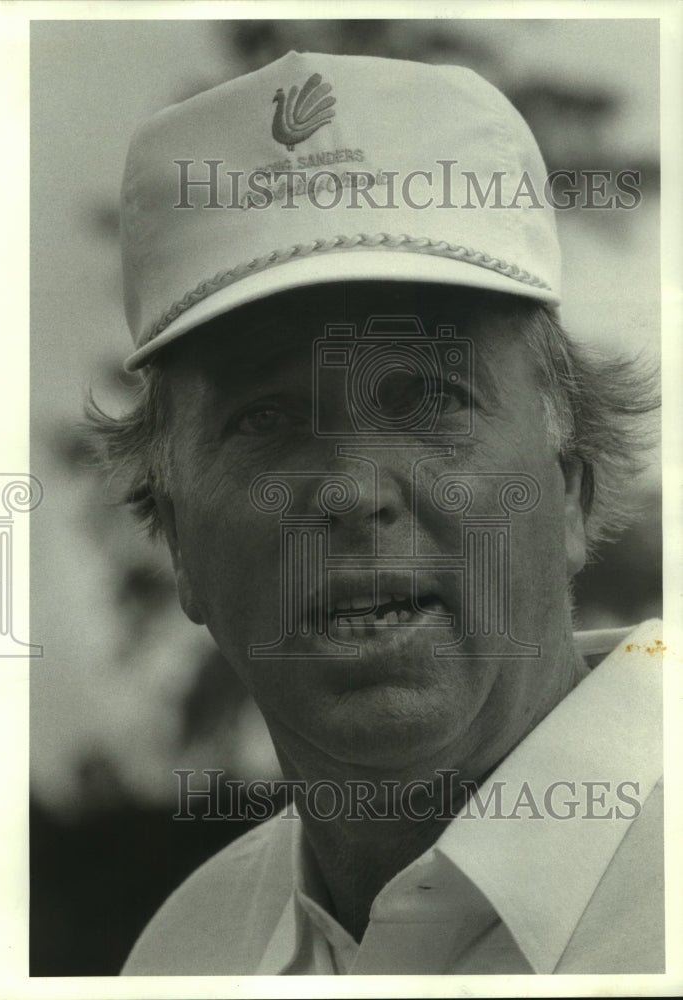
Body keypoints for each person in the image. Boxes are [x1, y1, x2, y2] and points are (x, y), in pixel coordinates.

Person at [91, 52, 662, 974]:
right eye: (266, 418)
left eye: (428, 398)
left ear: (571, 482)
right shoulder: (182, 954)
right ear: (179, 539)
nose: (353, 492)